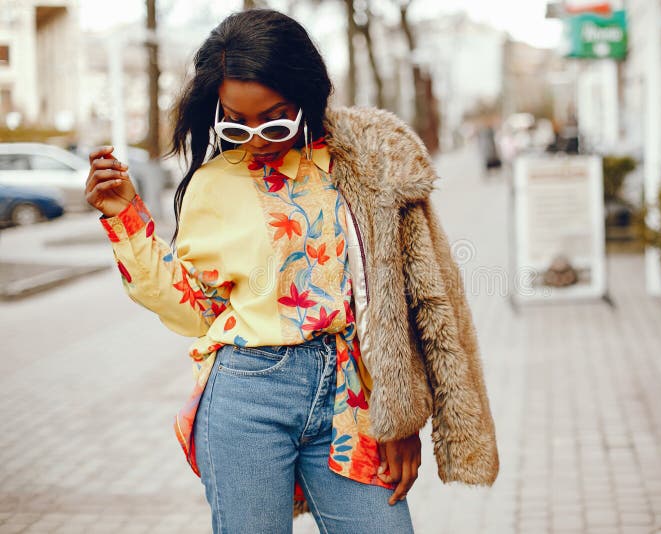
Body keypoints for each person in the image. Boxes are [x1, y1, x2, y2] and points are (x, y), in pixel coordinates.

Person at [84, 9, 498, 534]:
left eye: (276, 118)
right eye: (235, 122)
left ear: (307, 94)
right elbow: (198, 309)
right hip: (246, 397)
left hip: (350, 399)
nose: (257, 138)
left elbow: (419, 299)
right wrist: (125, 217)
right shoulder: (215, 184)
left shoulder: (368, 167)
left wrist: (403, 414)